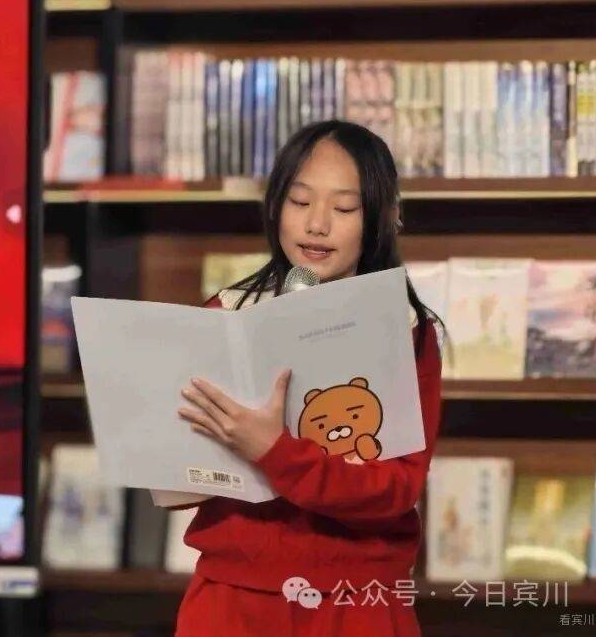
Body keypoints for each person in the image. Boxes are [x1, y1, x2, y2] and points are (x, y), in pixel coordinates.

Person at [173, 120, 446, 637]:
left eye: (344, 209)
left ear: (380, 217)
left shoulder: (405, 329)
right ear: (275, 205)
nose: (316, 224)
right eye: (299, 201)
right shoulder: (227, 315)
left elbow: (397, 488)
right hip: (233, 599)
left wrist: (274, 452)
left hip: (356, 600)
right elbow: (179, 476)